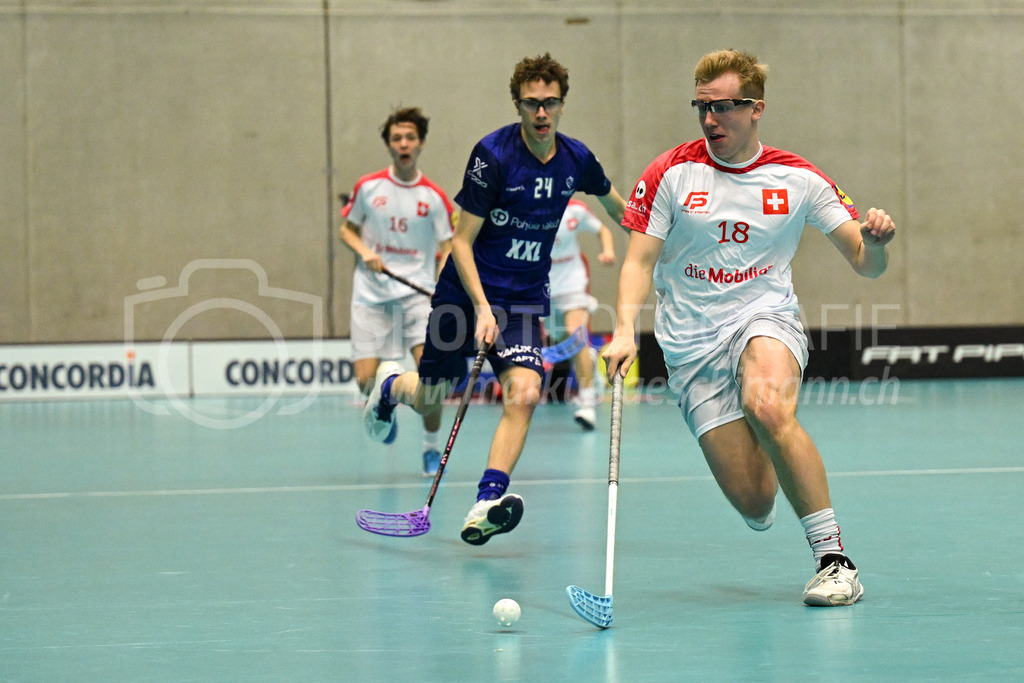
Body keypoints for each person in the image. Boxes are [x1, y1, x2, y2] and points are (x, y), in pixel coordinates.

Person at [603, 49, 895, 606]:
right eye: (702, 107)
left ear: (756, 108)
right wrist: (622, 330)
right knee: (756, 501)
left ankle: (834, 560)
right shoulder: (670, 172)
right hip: (690, 342)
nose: (710, 120)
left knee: (767, 405)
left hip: (763, 315)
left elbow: (864, 261)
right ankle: (773, 447)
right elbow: (639, 261)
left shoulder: (798, 177)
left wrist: (876, 245)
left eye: (724, 108)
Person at [363, 53, 627, 544]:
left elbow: (621, 209)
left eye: (550, 103)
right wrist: (482, 309)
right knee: (431, 397)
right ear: (518, 105)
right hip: (465, 293)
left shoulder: (576, 159)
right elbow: (461, 241)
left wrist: (664, 240)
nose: (542, 113)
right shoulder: (493, 155)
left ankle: (487, 499)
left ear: (562, 104)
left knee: (525, 391)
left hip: (525, 299)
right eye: (531, 104)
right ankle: (390, 386)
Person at [340, 106, 454, 476]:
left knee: (432, 382)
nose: (403, 144)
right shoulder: (368, 187)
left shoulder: (434, 197)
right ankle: (385, 403)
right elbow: (347, 229)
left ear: (420, 143)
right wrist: (365, 252)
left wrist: (442, 278)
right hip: (371, 295)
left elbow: (449, 245)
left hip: (418, 296)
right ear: (389, 144)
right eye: (396, 138)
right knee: (363, 381)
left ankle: (430, 447)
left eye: (409, 138)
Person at [547, 198, 616, 429]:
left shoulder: (575, 210)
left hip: (572, 282)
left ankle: (587, 404)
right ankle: (590, 358)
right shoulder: (524, 206)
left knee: (574, 334)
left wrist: (607, 251)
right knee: (561, 343)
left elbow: (602, 229)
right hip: (543, 286)